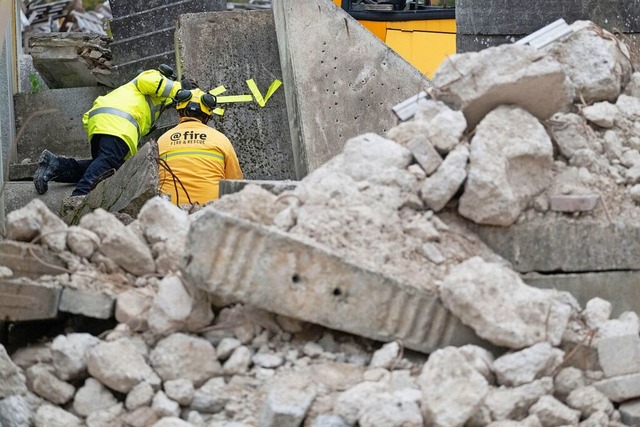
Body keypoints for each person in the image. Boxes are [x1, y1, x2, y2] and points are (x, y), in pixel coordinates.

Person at [33, 64, 187, 196]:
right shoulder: (153, 76)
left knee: (108, 167)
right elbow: (150, 81)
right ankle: (79, 197)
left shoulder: (153, 102)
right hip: (116, 122)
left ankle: (56, 165)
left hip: (104, 121)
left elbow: (166, 99)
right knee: (108, 161)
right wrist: (181, 88)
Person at [157, 86, 243, 206]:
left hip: (171, 210)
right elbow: (235, 183)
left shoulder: (162, 140)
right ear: (207, 115)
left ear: (179, 112)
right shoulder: (220, 139)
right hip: (211, 211)